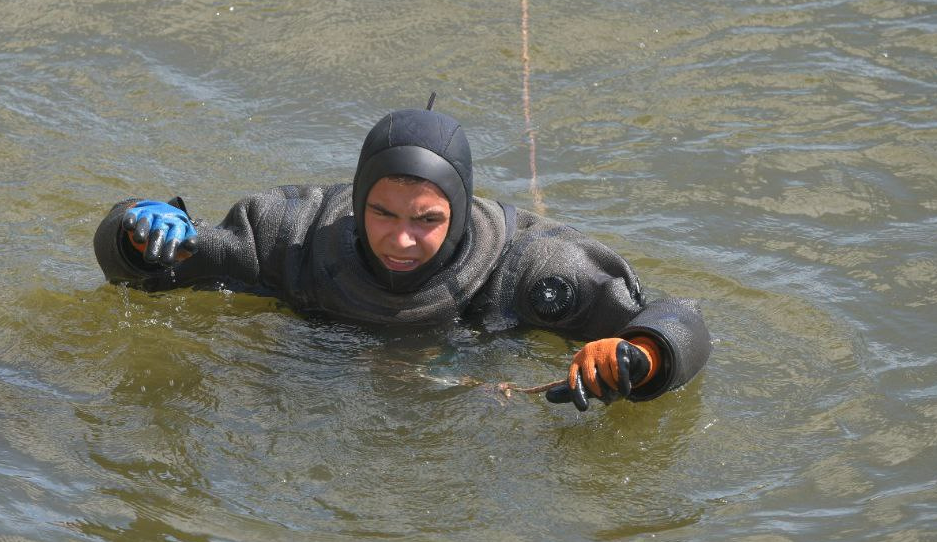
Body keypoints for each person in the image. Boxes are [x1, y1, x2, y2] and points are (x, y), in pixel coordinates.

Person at [94, 104, 710, 410]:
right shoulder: (290, 234)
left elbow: (679, 319)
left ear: (462, 214)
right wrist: (134, 236)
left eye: (428, 220)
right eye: (382, 214)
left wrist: (641, 353)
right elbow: (149, 270)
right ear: (357, 200)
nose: (401, 240)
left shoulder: (533, 266)